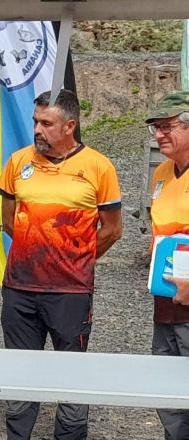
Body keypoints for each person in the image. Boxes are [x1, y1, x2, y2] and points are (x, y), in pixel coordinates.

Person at [0, 89, 122, 440]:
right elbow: (8, 220)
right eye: (35, 121)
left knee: (70, 376)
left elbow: (112, 230)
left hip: (70, 292)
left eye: (46, 123)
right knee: (21, 376)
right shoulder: (19, 162)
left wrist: (74, 257)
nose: (37, 129)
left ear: (70, 125)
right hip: (20, 290)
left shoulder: (98, 167)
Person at [145, 91, 189, 440]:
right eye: (156, 128)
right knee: (167, 389)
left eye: (168, 126)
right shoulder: (161, 172)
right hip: (166, 301)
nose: (160, 134)